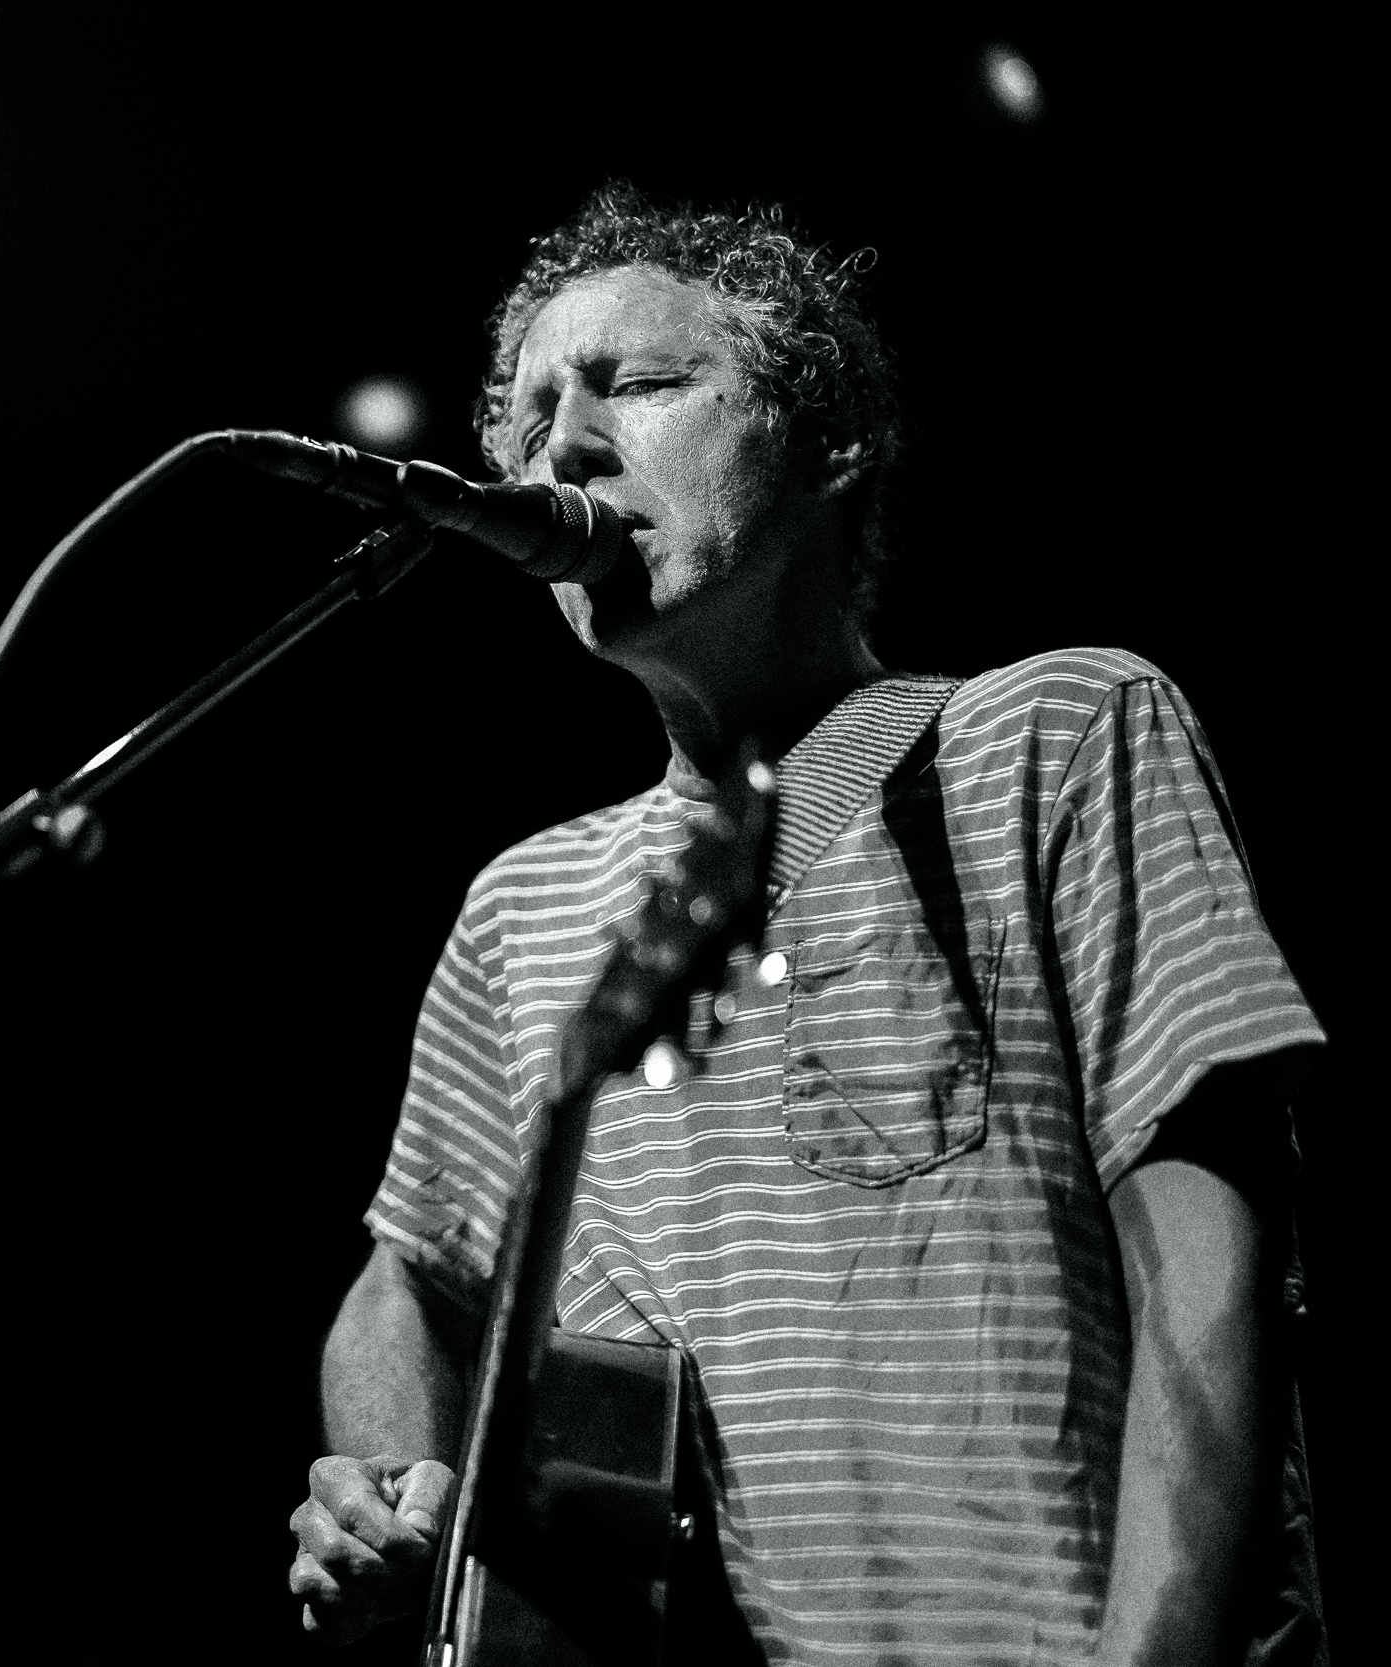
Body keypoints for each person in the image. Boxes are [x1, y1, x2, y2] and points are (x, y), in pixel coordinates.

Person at [285, 185, 1326, 1665]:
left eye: (640, 386)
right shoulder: (525, 908)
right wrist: (394, 1492)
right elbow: (410, 1280)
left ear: (832, 444)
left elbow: (1212, 1230)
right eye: (526, 422)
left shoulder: (1051, 732)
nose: (563, 449)